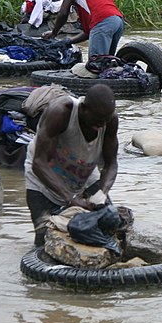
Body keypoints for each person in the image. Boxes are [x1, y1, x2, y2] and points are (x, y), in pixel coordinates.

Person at [24, 84, 118, 247]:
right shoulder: (61, 112)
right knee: (45, 241)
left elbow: (111, 164)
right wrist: (71, 199)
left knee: (108, 223)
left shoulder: (109, 121)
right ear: (83, 108)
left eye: (105, 121)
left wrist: (102, 193)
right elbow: (39, 163)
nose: (101, 126)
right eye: (97, 121)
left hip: (84, 176)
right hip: (43, 181)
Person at [42, 0, 124, 58]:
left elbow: (63, 13)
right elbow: (87, 33)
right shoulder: (91, 4)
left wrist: (54, 33)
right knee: (107, 61)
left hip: (104, 21)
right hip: (118, 22)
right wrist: (68, 41)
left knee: (96, 64)